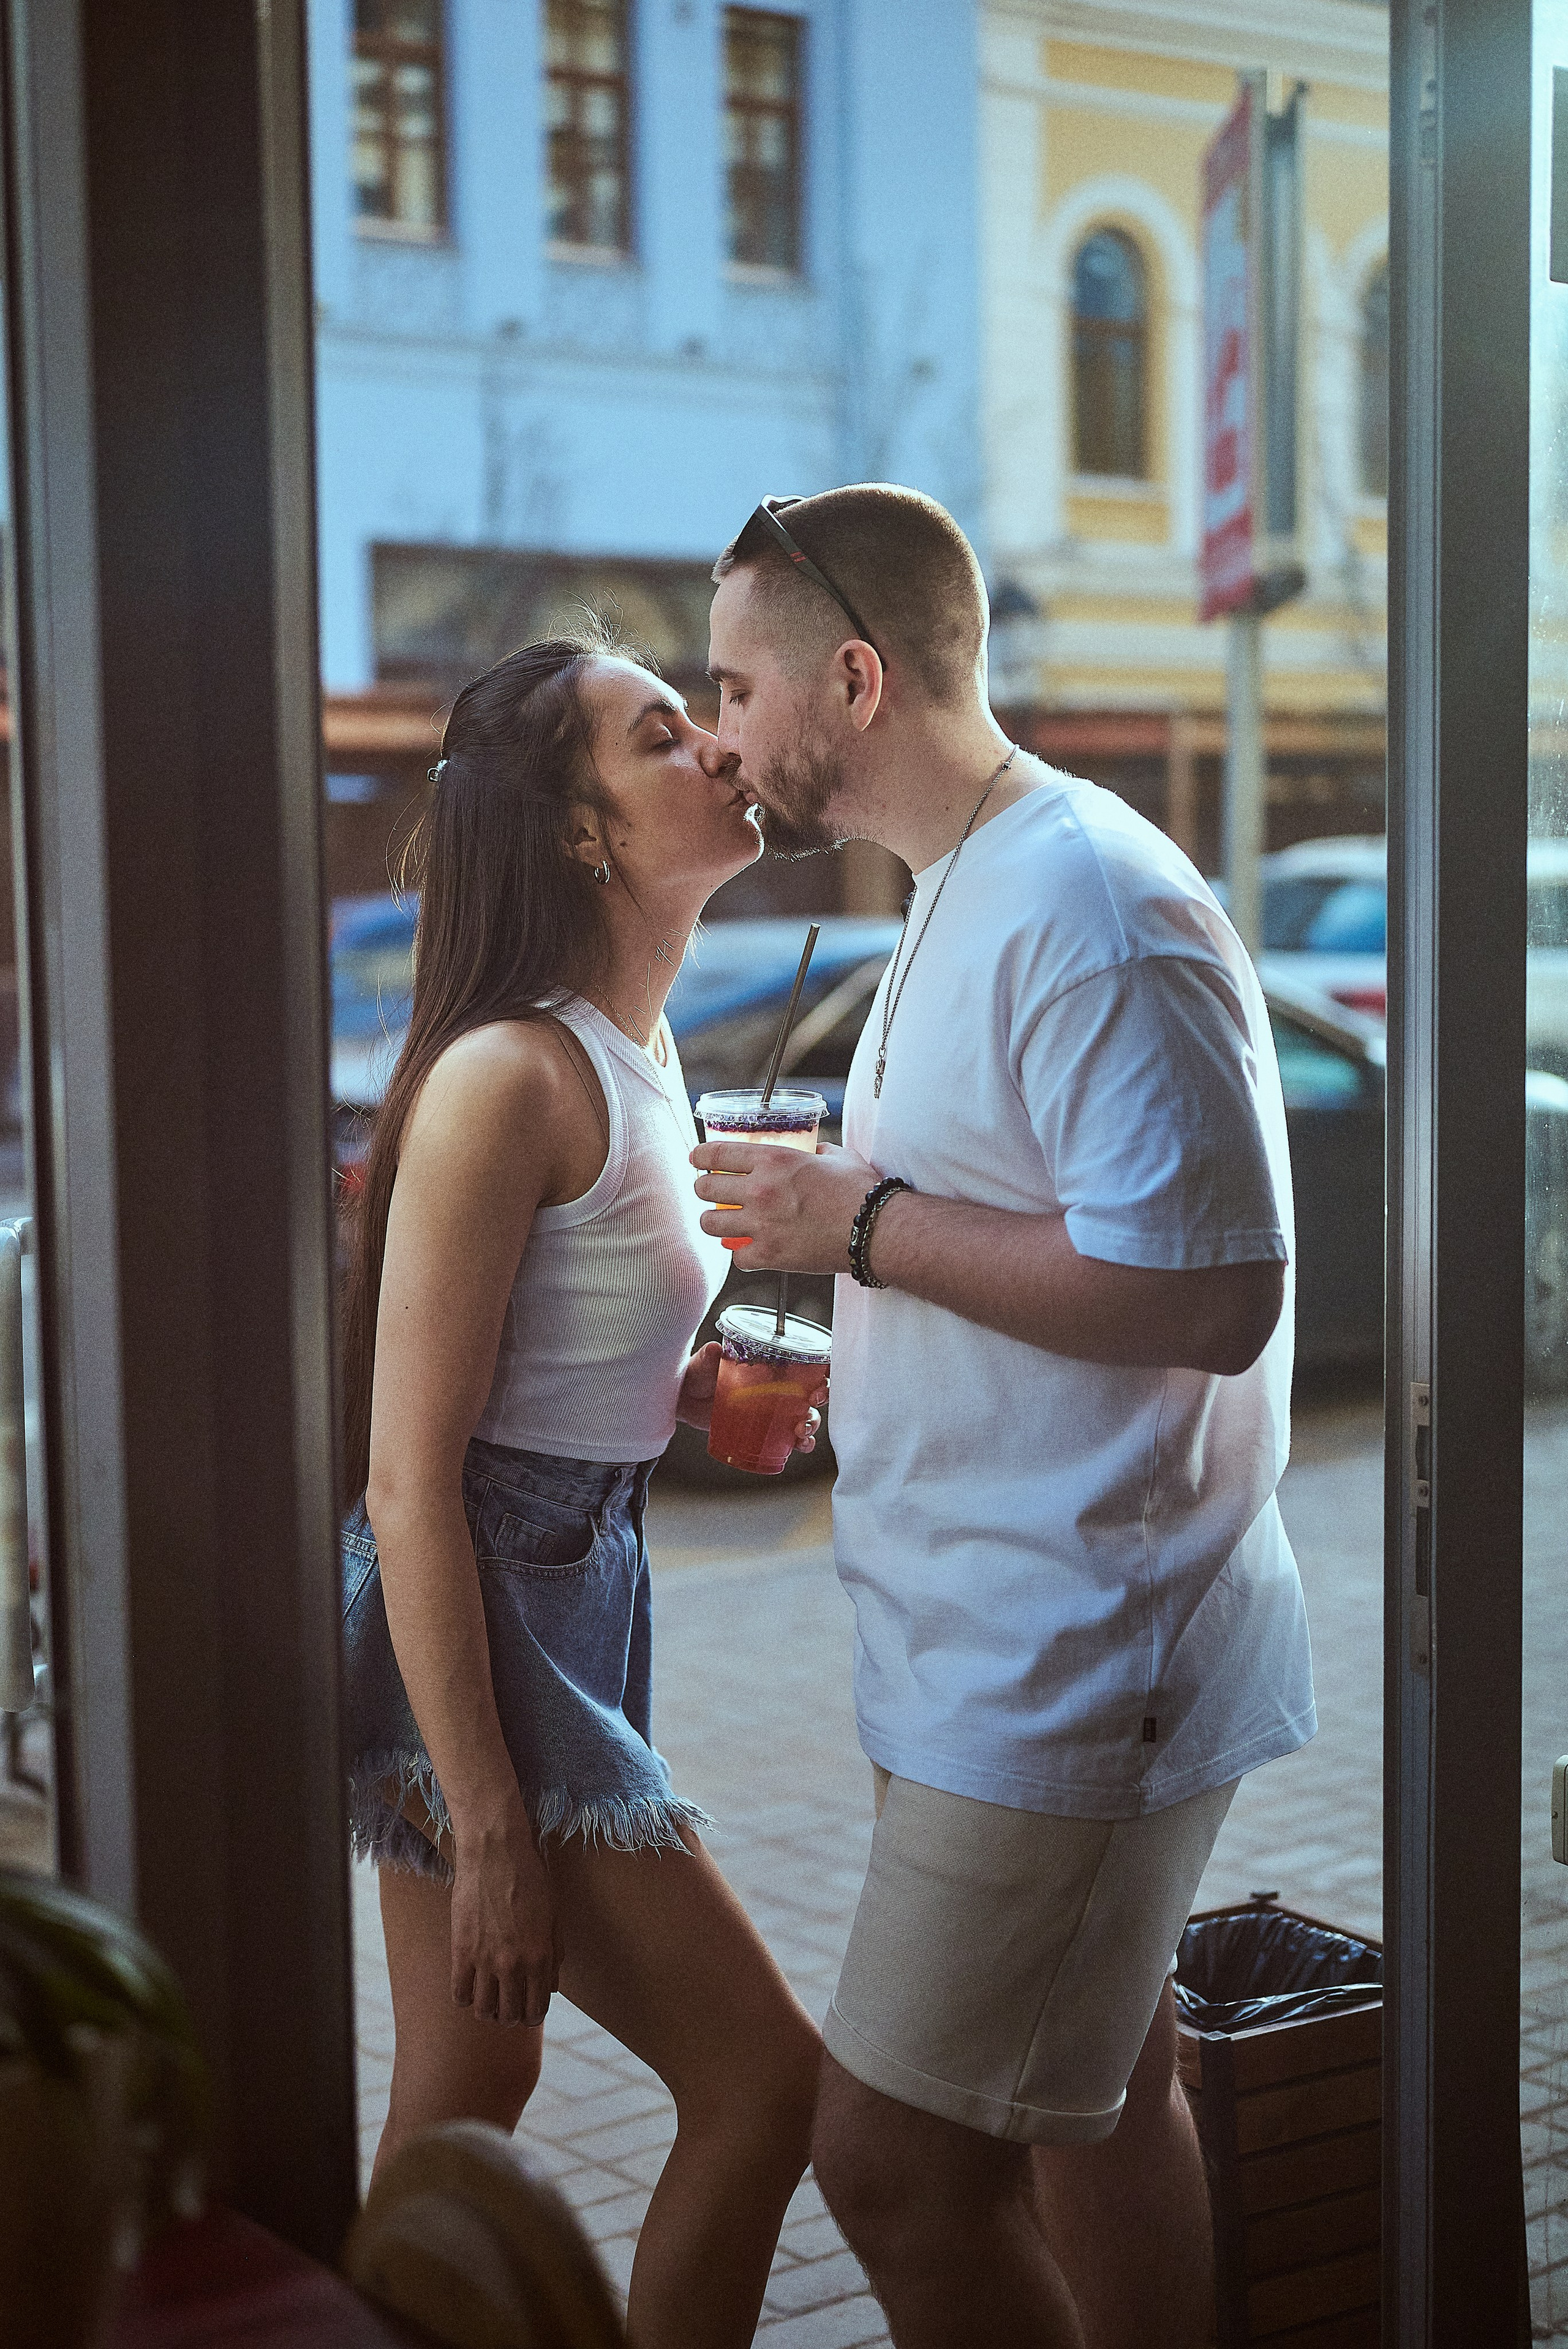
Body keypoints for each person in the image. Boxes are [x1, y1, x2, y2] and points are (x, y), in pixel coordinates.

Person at [695, 487, 1315, 2349]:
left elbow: (1214, 1290)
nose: (720, 731)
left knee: (887, 2161)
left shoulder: (1092, 900)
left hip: (1074, 1650)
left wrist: (857, 1227)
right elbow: (1028, 1235)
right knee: (1107, 2102)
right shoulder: (964, 879)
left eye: (735, 687)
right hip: (999, 1625)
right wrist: (867, 1351)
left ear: (856, 680)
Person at [339, 630, 824, 2349]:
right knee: (770, 2086)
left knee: (466, 2092)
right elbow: (409, 1480)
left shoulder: (647, 1050)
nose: (715, 752)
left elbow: (568, 1367)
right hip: (476, 1613)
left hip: (582, 1576)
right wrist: (488, 1827)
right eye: (659, 736)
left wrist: (692, 1394)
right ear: (577, 832)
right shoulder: (506, 1078)